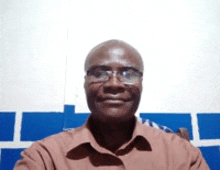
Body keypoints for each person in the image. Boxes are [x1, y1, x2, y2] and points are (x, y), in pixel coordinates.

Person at [14, 39, 209, 169]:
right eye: (99, 73)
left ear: (141, 83)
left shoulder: (182, 155)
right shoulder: (45, 158)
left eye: (128, 74)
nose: (114, 84)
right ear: (85, 83)